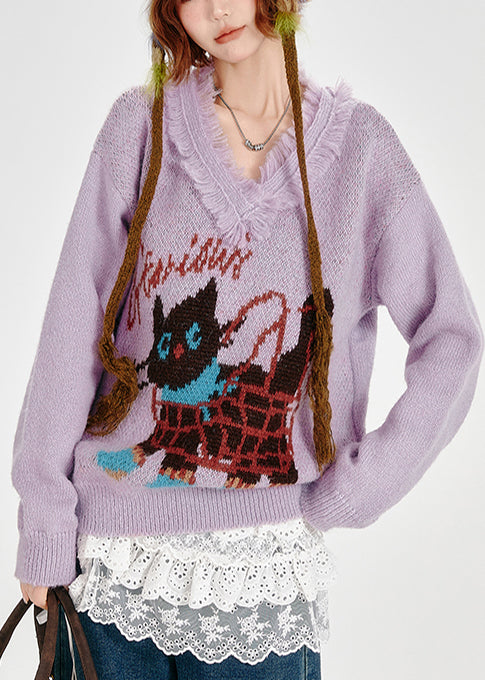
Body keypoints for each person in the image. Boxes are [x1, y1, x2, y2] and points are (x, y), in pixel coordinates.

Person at [12, 0, 483, 678]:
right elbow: (71, 326)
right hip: (111, 568)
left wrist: (360, 488)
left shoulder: (362, 152)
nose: (217, 8)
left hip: (261, 576)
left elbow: (453, 339)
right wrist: (44, 520)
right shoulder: (139, 128)